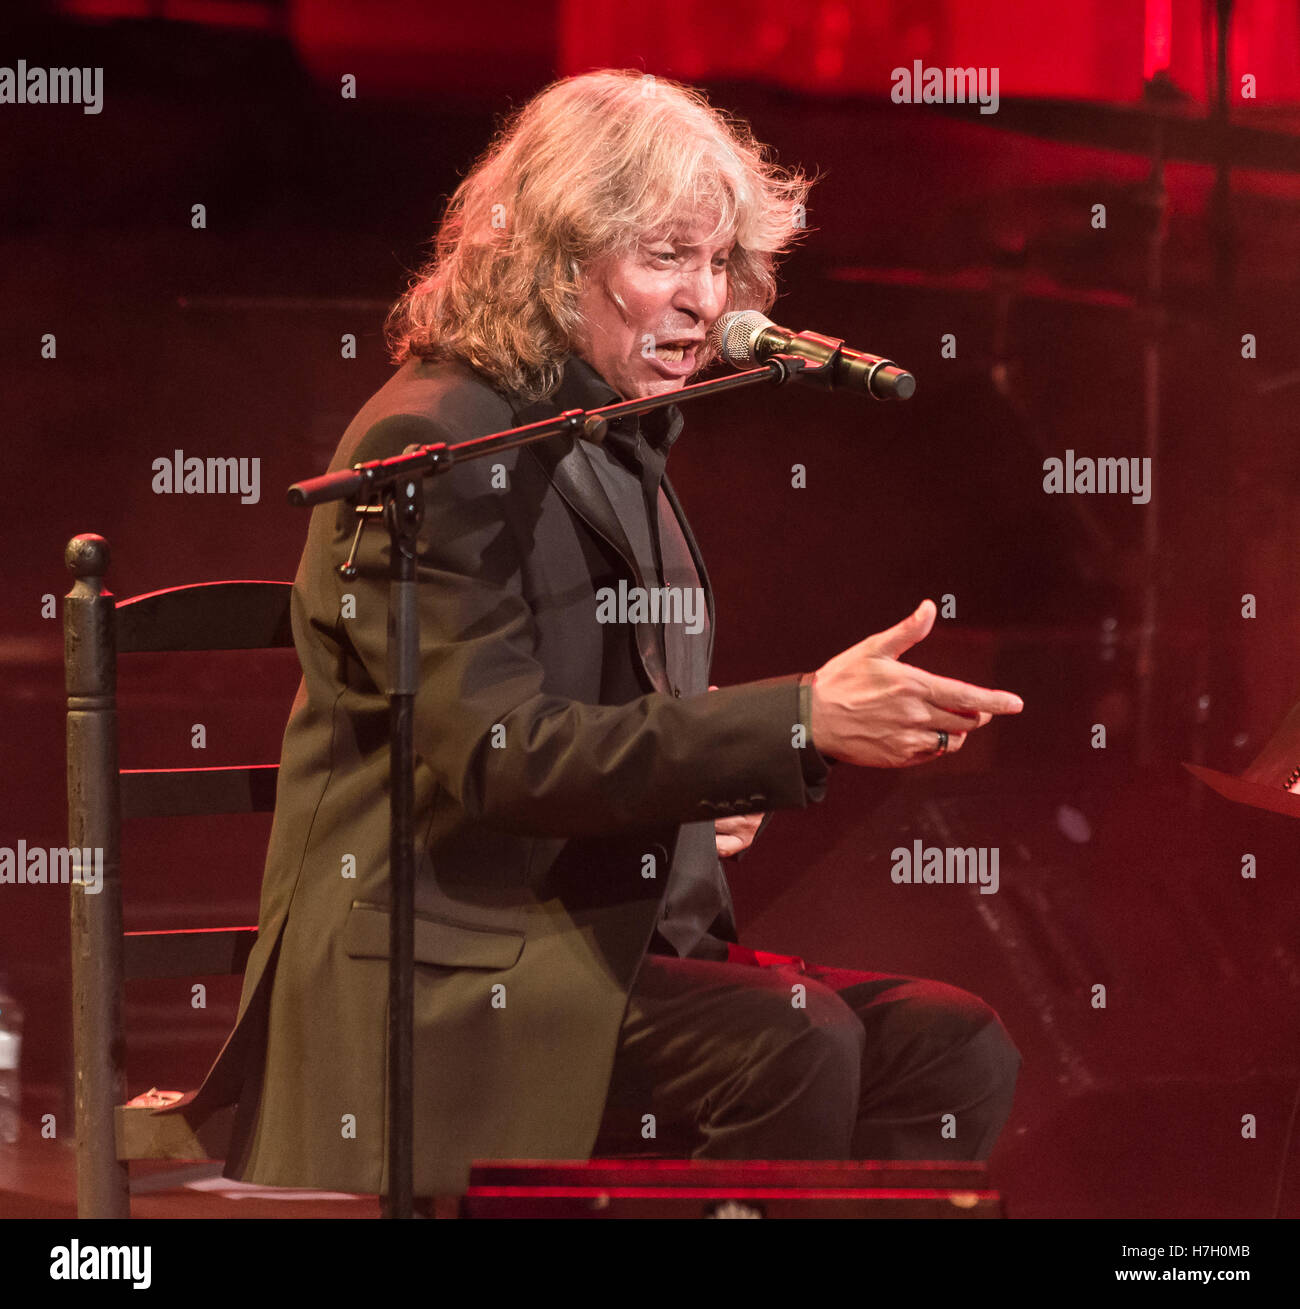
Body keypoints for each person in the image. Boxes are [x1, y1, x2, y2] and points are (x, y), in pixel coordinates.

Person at [158, 68, 1025, 1198]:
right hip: (440, 971)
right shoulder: (438, 440)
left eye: (718, 263)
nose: (705, 301)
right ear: (554, 261)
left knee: (952, 1044)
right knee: (796, 1040)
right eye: (665, 257)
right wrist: (798, 718)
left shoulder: (614, 436)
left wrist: (722, 783)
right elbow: (496, 755)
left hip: (588, 945)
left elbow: (600, 727)